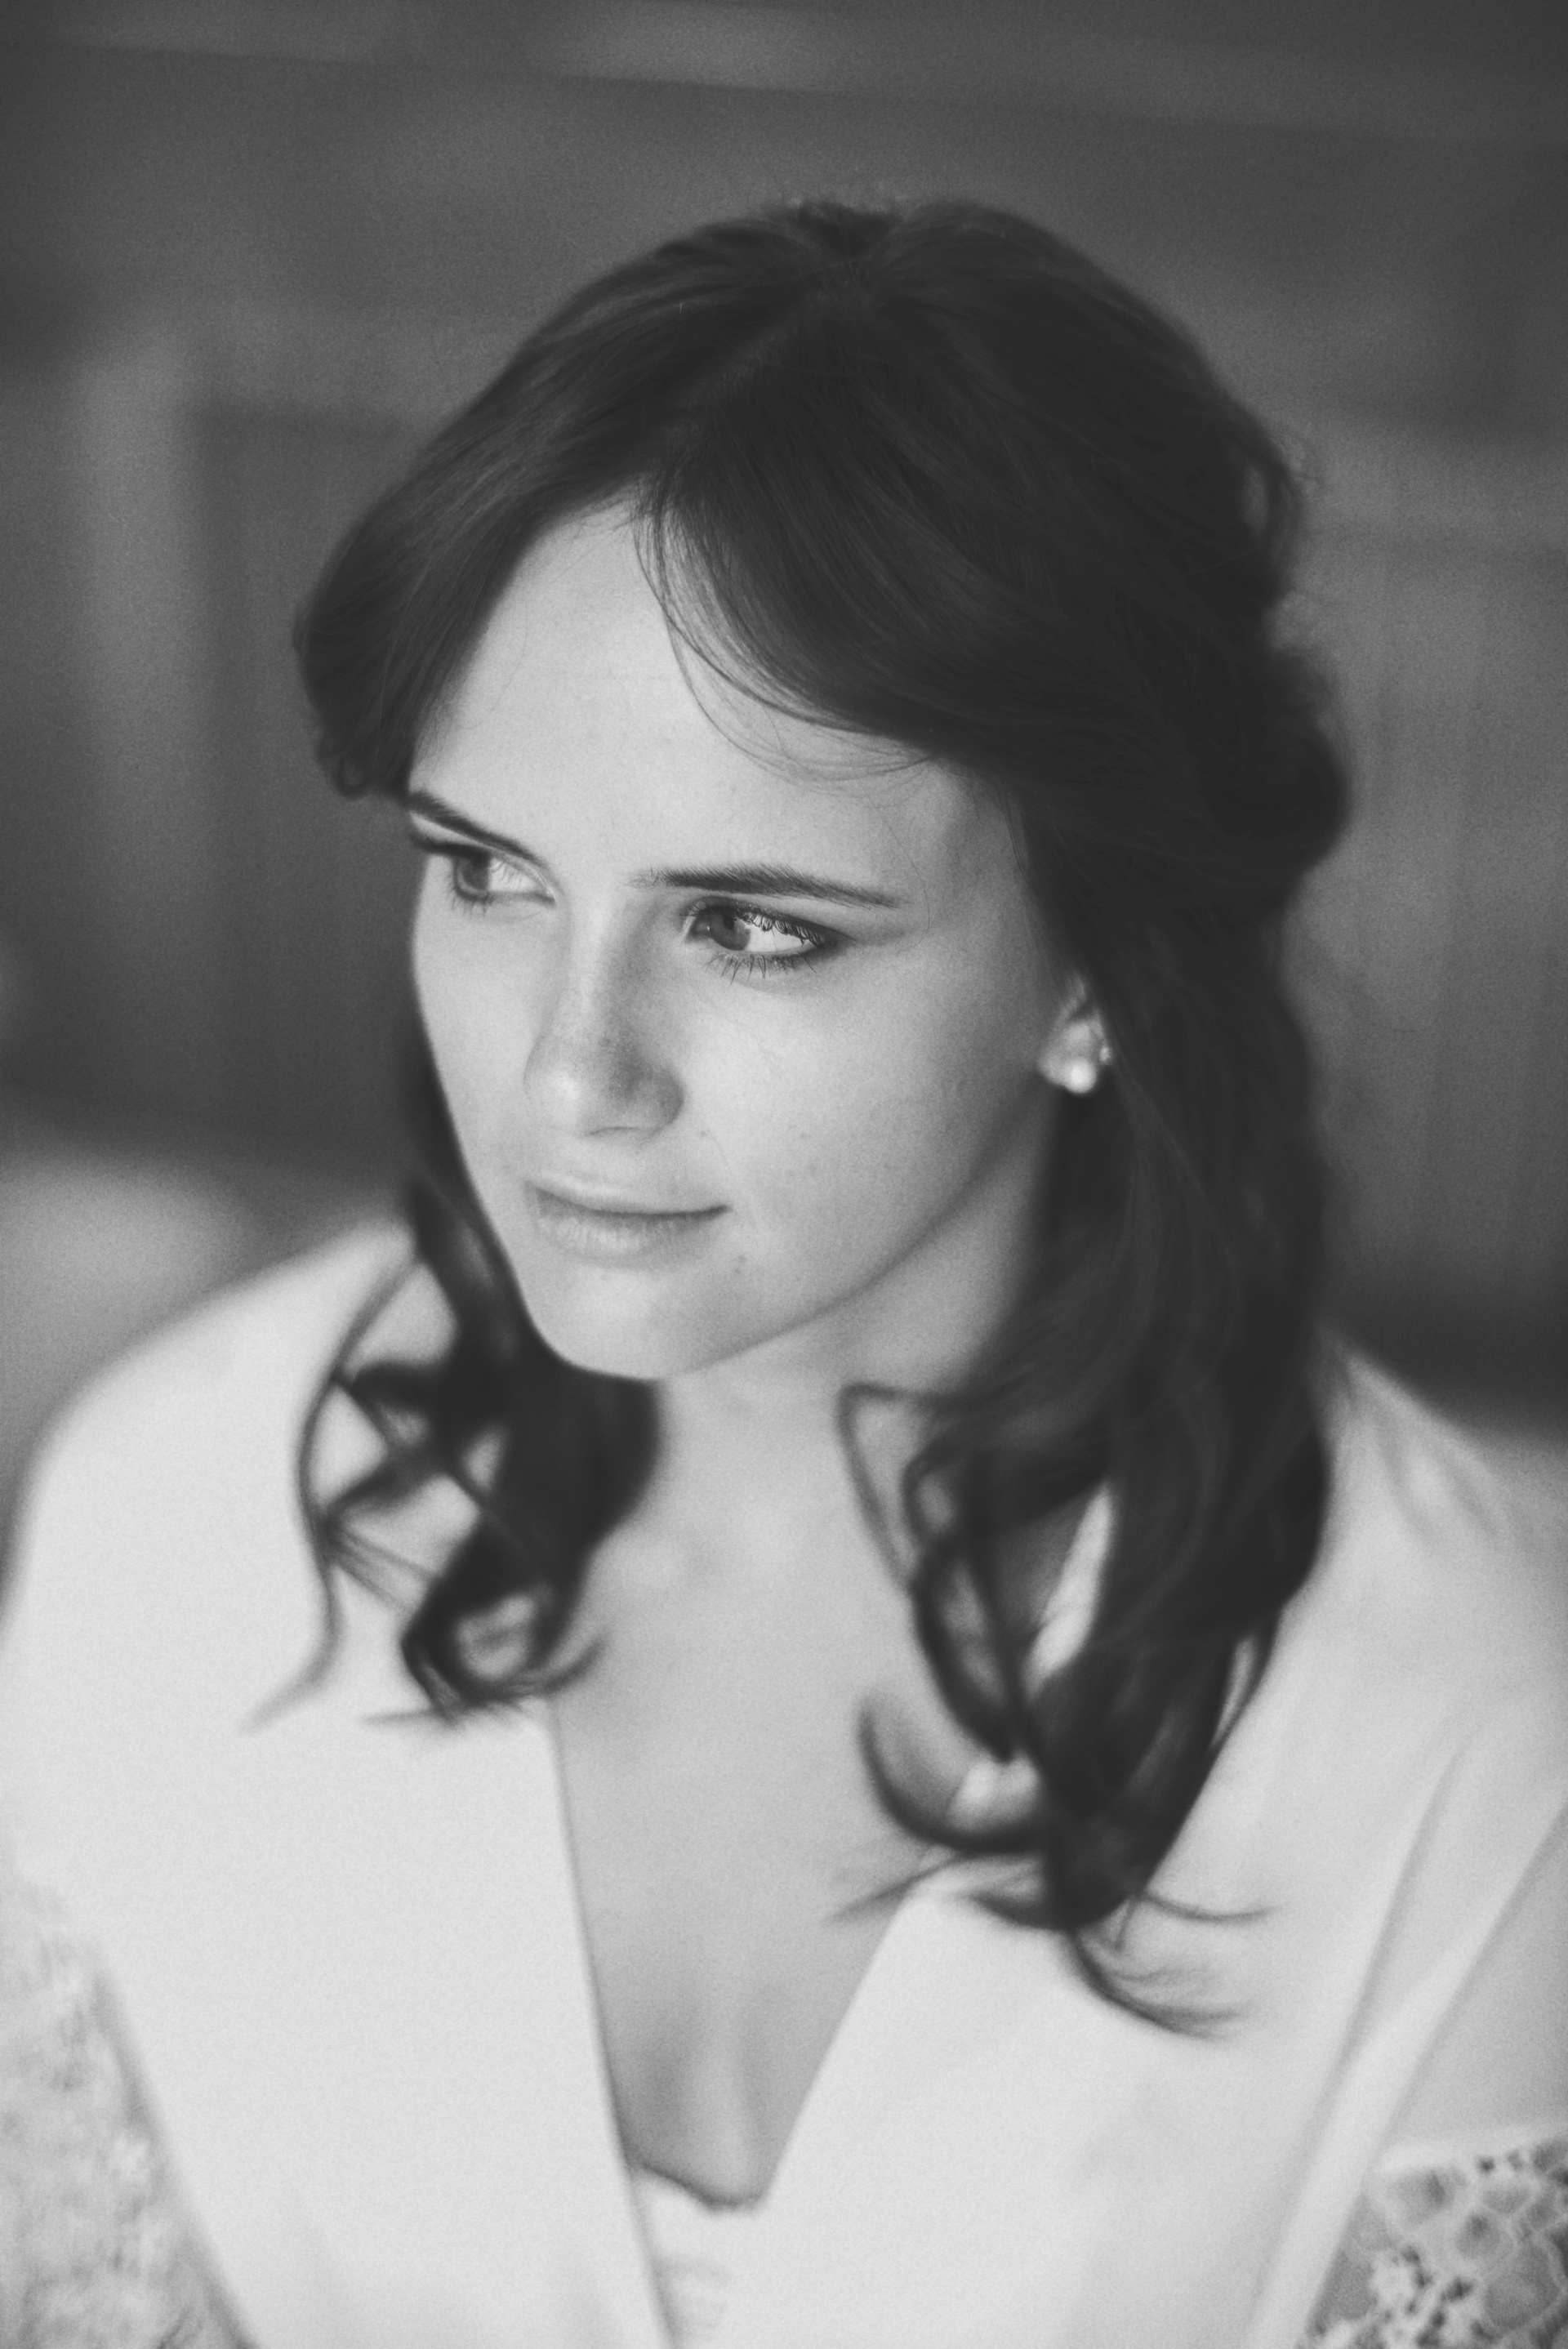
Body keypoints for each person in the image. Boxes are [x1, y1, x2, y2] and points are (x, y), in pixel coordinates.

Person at [1, 198, 1564, 2349]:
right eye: (486, 872)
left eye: (753, 926)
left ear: (1101, 961)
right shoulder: (165, 1515)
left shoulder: (1476, 1738)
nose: (569, 1076)